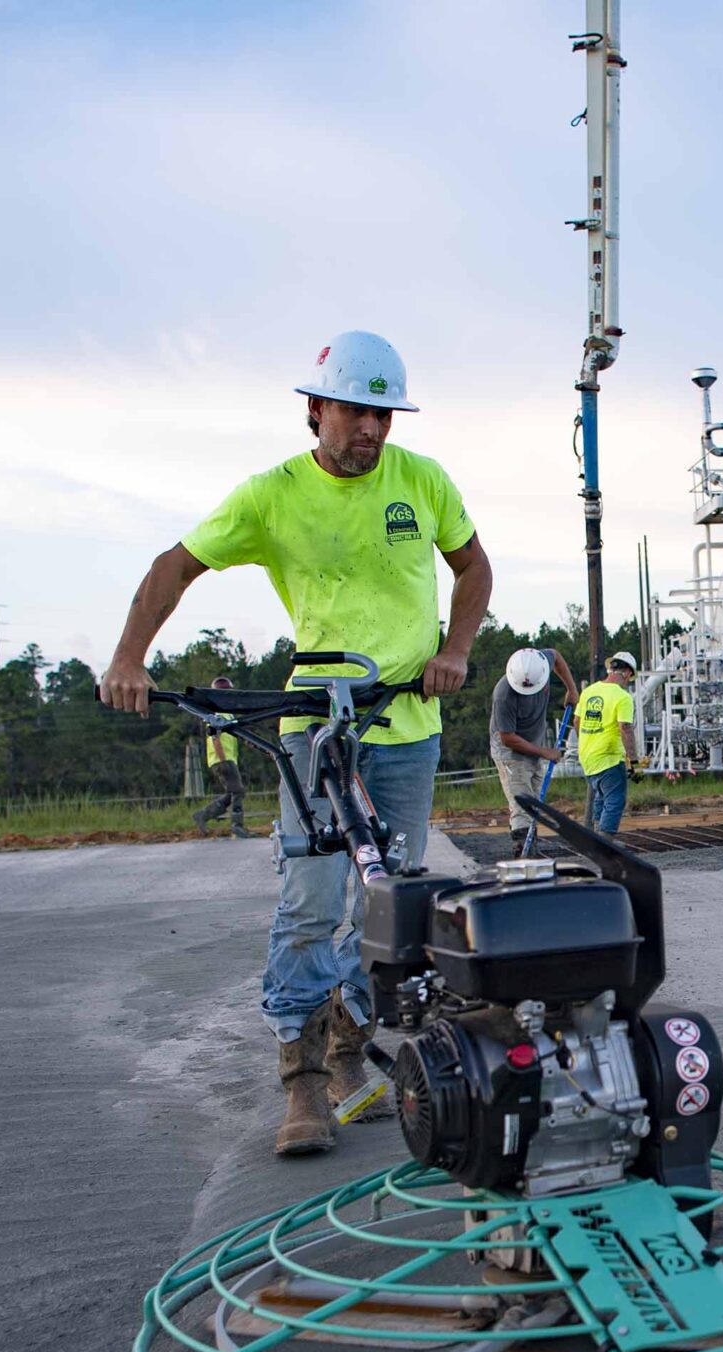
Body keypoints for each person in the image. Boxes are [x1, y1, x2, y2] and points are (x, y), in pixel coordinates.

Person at [98, 330, 494, 1158]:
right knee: (313, 901)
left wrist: (454, 650)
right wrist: (131, 655)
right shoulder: (270, 495)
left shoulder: (422, 480)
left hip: (406, 723)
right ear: (315, 409)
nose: (371, 431)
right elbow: (177, 566)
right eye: (354, 412)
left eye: (383, 415)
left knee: (388, 899)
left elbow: (473, 567)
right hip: (315, 723)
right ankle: (303, 1078)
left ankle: (351, 1052)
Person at [491, 647, 578, 845]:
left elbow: (556, 655)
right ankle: (524, 853)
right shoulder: (503, 695)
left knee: (534, 803)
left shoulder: (540, 663)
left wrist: (571, 689)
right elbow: (508, 738)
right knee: (522, 804)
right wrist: (545, 752)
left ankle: (530, 842)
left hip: (534, 746)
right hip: (510, 753)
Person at [576, 651, 640, 834]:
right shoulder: (622, 697)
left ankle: (598, 837)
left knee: (601, 797)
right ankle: (605, 844)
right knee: (615, 800)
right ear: (627, 672)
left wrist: (587, 743)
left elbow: (577, 722)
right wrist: (634, 763)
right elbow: (625, 728)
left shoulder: (589, 691)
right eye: (630, 676)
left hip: (588, 759)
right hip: (609, 759)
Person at [191, 675, 254, 835]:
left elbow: (236, 733)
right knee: (238, 791)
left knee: (232, 793)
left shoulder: (228, 715)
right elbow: (215, 737)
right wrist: (222, 759)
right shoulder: (215, 714)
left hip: (226, 758)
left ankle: (202, 815)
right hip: (222, 759)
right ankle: (237, 827)